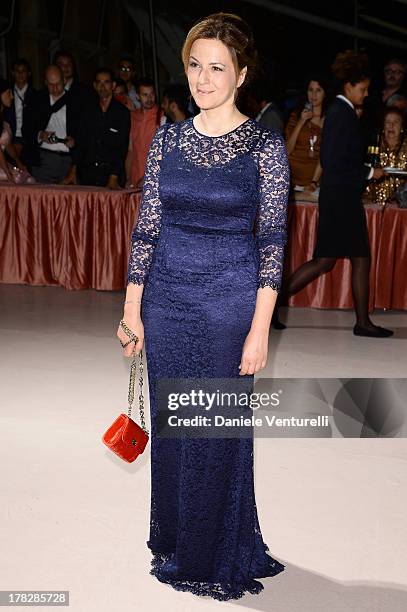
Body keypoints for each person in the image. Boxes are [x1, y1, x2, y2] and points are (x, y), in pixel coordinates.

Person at [117, 11, 289, 601]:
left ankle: (209, 550)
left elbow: (272, 245)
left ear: (241, 75)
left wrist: (259, 330)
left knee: (212, 428)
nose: (203, 78)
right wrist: (132, 308)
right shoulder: (168, 139)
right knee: (173, 426)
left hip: (228, 305)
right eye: (195, 65)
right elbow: (147, 227)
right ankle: (176, 536)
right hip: (166, 301)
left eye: (217, 67)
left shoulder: (265, 145)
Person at [285, 50, 393, 338]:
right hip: (341, 201)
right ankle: (362, 322)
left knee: (341, 259)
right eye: (363, 89)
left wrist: (364, 172)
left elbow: (339, 160)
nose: (366, 94)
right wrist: (370, 174)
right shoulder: (341, 114)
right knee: (333, 260)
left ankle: (362, 321)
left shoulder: (340, 112)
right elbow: (334, 163)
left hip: (339, 199)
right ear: (349, 86)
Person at [64, 68, 130, 188]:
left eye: (106, 82)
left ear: (113, 85)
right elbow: (81, 142)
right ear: (94, 85)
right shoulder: (87, 110)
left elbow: (121, 147)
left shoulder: (122, 113)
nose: (102, 86)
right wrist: (73, 170)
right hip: (88, 174)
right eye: (99, 82)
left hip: (111, 174)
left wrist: (113, 176)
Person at [23, 65, 79, 183]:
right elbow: (26, 128)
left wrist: (75, 141)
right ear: (45, 82)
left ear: (64, 80)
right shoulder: (37, 100)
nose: (55, 88)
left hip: (68, 160)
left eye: (58, 83)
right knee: (43, 198)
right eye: (51, 84)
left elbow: (85, 131)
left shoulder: (76, 100)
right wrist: (41, 135)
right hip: (43, 159)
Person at [285, 76, 329, 190]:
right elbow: (287, 150)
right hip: (292, 180)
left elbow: (325, 155)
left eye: (318, 90)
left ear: (325, 93)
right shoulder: (296, 116)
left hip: (315, 182)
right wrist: (301, 121)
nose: (314, 95)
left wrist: (314, 182)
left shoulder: (329, 120)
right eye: (311, 90)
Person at [126, 77, 164, 188]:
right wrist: (128, 178)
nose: (149, 98)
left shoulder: (162, 116)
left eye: (152, 94)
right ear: (137, 96)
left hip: (155, 179)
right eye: (145, 95)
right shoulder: (133, 116)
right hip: (135, 177)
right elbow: (130, 150)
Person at [364, 107, 407, 204]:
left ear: (402, 127)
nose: (391, 126)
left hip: (401, 205)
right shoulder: (373, 144)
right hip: (373, 203)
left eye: (396, 122)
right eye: (387, 122)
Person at [0, 78, 35, 183]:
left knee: (28, 178)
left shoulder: (3, 119)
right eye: (8, 93)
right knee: (23, 180)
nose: (12, 97)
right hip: (2, 165)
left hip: (3, 163)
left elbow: (6, 144)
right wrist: (8, 172)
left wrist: (18, 162)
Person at [6, 58, 37, 160]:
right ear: (13, 73)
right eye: (17, 71)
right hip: (9, 138)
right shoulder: (6, 93)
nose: (20, 74)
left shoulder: (36, 94)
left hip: (28, 139)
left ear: (28, 73)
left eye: (23, 71)